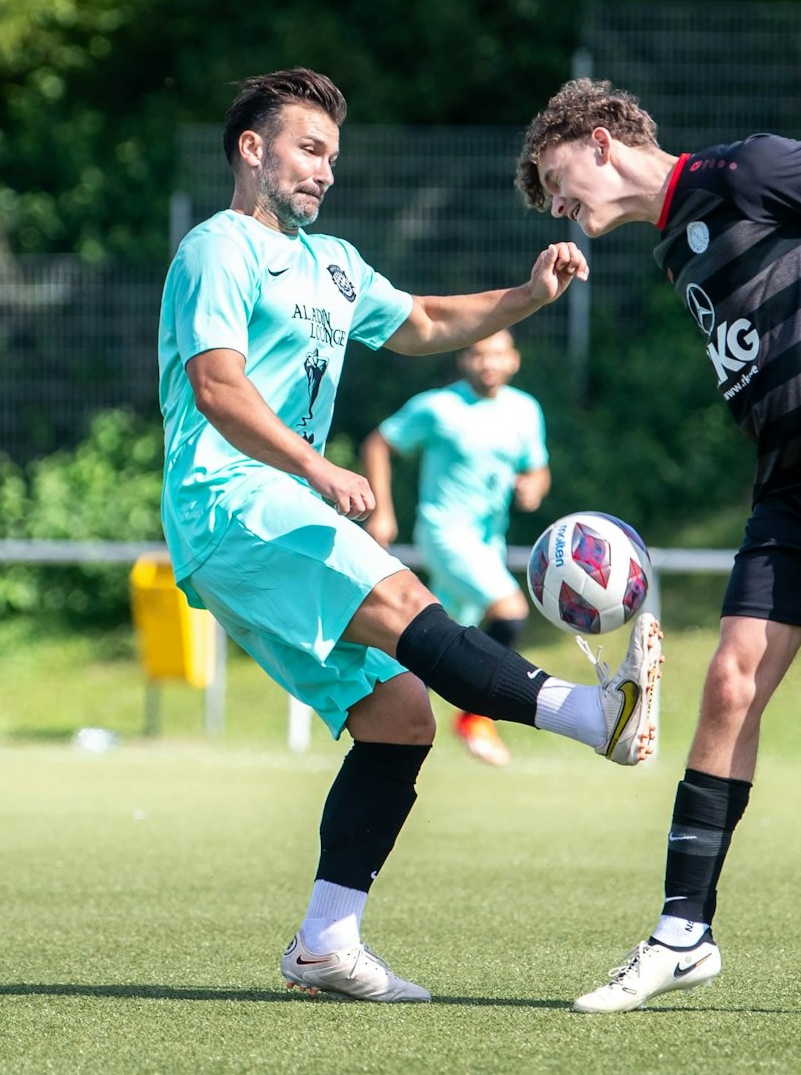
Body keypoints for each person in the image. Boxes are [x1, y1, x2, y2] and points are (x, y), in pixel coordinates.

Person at [159, 68, 663, 1002]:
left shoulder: (335, 265)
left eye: (333, 159)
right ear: (252, 148)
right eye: (310, 150)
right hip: (229, 500)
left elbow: (427, 321)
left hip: (276, 516)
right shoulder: (216, 249)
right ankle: (595, 715)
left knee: (399, 718)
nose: (325, 172)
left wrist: (526, 294)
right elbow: (218, 388)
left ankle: (324, 941)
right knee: (404, 599)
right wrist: (315, 466)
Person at [513, 79, 801, 1019]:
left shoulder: (750, 168)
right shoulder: (669, 249)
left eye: (555, 181)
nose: (557, 204)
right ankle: (683, 932)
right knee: (727, 683)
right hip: (793, 491)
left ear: (600, 141)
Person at [363, 329, 550, 767]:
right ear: (465, 360)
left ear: (514, 360)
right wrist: (382, 512)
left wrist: (533, 488)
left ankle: (387, 723)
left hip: (489, 544)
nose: (489, 362)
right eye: (479, 353)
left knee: (429, 645)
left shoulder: (525, 410)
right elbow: (378, 443)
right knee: (509, 611)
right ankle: (473, 716)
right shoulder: (438, 406)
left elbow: (538, 470)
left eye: (498, 354)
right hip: (443, 533)